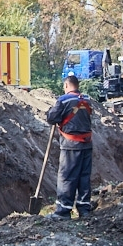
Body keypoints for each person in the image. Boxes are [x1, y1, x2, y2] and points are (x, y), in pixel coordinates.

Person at [46, 74, 94, 220]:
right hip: (87, 144)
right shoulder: (87, 99)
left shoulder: (63, 100)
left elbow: (52, 118)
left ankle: (63, 211)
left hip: (71, 145)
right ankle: (84, 209)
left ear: (66, 85)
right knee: (84, 177)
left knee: (67, 176)